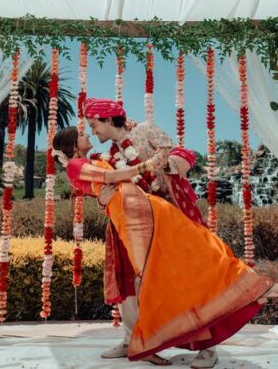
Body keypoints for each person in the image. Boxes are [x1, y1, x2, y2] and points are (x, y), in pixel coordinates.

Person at [53, 126, 278, 367]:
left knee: (198, 245)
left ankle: (253, 285)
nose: (89, 134)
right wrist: (146, 166)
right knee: (153, 276)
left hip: (146, 207)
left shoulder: (121, 143)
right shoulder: (75, 165)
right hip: (131, 217)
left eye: (93, 126)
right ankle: (145, 341)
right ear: (73, 145)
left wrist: (152, 168)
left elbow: (111, 184)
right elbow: (110, 179)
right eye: (84, 133)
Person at [83, 99, 208, 365]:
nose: (94, 132)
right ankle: (133, 340)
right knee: (129, 280)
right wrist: (103, 198)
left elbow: (180, 153)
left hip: (167, 217)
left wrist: (156, 166)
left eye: (95, 125)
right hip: (131, 223)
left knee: (184, 280)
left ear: (108, 120)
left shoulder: (144, 130)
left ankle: (208, 347)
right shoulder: (108, 155)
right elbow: (109, 190)